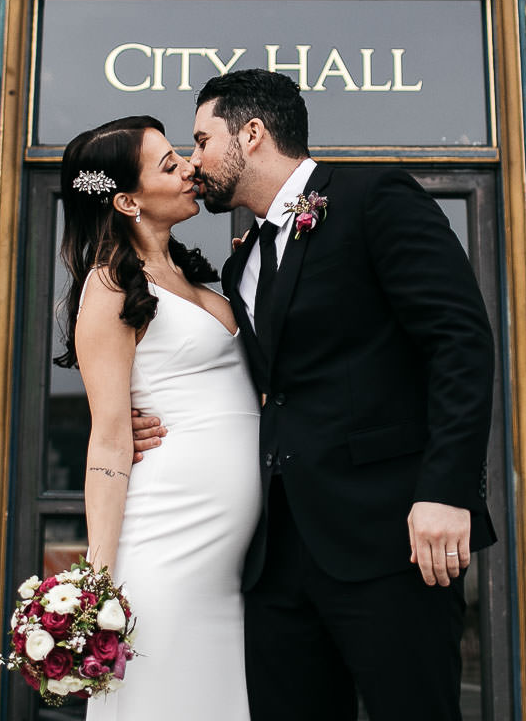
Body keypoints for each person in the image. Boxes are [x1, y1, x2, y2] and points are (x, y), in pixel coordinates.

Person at [136, 68, 497, 721]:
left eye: (200, 140)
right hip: (276, 556)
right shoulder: (243, 262)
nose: (194, 163)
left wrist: (446, 490)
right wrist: (153, 420)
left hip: (388, 537)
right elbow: (262, 382)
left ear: (252, 133)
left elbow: (459, 343)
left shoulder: (372, 197)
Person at [57, 115, 259, 721]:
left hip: (235, 558)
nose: (190, 167)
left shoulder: (199, 273)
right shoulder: (111, 288)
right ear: (125, 200)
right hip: (169, 542)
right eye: (169, 166)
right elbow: (112, 440)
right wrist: (96, 580)